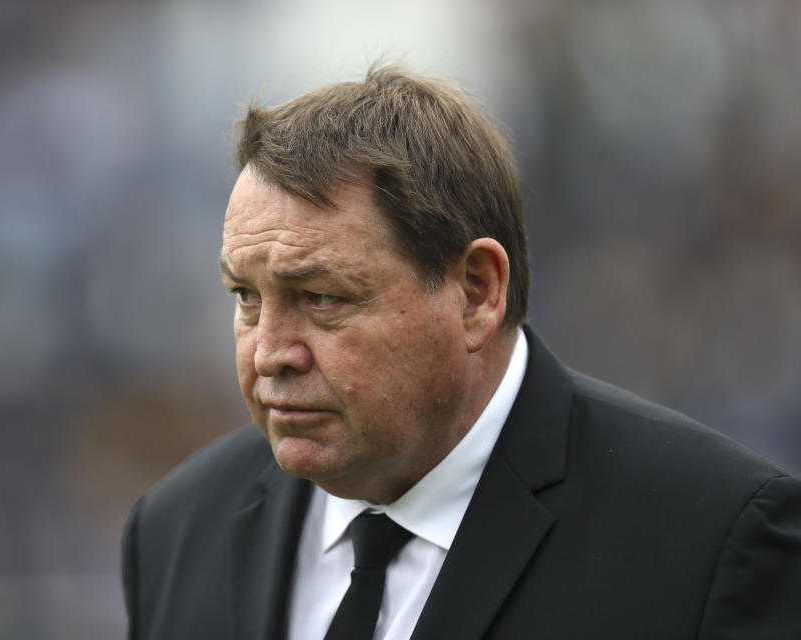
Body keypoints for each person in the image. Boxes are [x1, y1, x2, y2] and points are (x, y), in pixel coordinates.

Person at [121, 65, 801, 639]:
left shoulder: (714, 542)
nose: (269, 353)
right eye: (246, 296)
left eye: (320, 298)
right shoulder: (178, 531)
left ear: (477, 292)